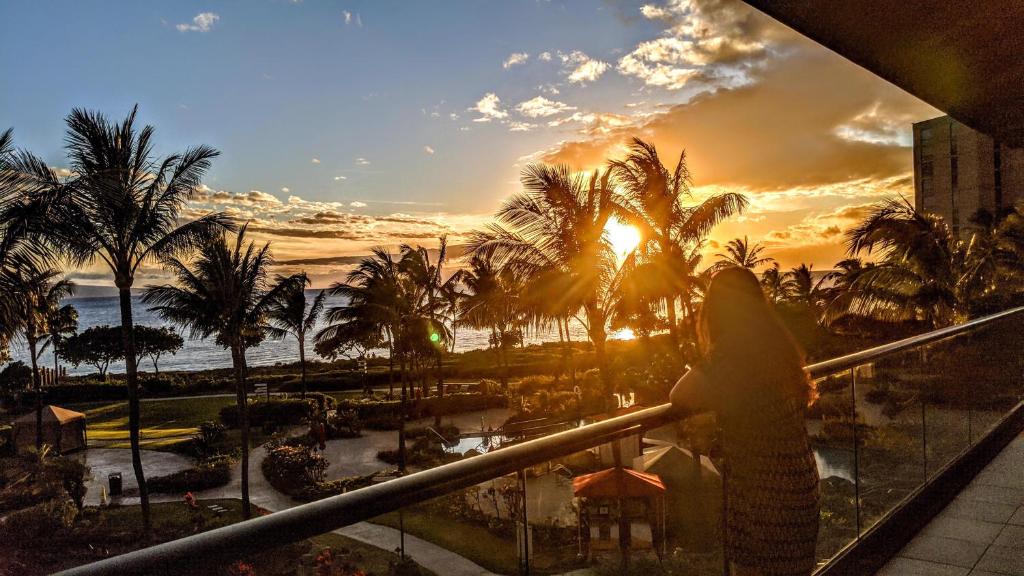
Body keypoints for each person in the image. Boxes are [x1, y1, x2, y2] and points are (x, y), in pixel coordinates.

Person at [670, 266, 820, 576]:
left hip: (764, 497)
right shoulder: (776, 345)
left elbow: (680, 395)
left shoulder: (731, 354)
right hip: (799, 484)